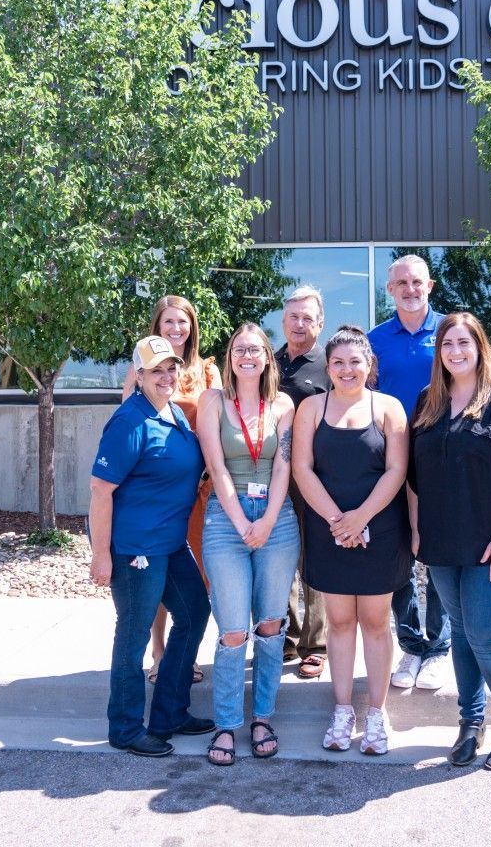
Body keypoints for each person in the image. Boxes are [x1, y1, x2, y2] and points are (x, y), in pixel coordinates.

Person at [409, 312, 491, 771]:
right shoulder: (429, 400)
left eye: (464, 343)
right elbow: (414, 477)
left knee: (487, 634)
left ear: (479, 345)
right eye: (447, 345)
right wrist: (416, 530)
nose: (455, 352)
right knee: (462, 634)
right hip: (444, 540)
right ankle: (470, 723)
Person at [89, 335, 216, 757]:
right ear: (138, 375)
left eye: (171, 368)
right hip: (135, 549)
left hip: (171, 543)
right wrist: (101, 555)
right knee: (134, 635)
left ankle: (170, 713)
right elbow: (100, 490)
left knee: (195, 612)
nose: (166, 376)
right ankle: (125, 728)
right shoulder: (130, 420)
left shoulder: (176, 413)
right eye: (156, 370)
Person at [292, 325, 411, 756]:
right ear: (328, 367)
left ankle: (377, 716)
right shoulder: (310, 409)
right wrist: (337, 521)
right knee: (340, 623)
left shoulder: (390, 409)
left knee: (377, 623)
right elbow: (302, 469)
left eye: (355, 362)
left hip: (379, 529)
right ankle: (342, 710)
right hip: (328, 530)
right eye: (338, 362)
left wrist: (360, 517)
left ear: (369, 365)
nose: (346, 370)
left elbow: (396, 471)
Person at [195, 324, 299, 765]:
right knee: (234, 629)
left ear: (267, 357)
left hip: (277, 520)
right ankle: (225, 725)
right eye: (239, 349)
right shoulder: (212, 401)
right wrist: (242, 523)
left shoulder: (283, 404)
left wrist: (269, 520)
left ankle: (262, 718)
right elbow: (216, 468)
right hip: (226, 519)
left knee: (272, 624)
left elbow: (284, 465)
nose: (247, 356)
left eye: (255, 349)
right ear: (229, 357)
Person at [122, 295, 221, 684]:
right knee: (157, 573)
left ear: (192, 327)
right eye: (168, 323)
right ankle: (160, 652)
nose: (176, 329)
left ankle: (187, 653)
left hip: (198, 492)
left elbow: (216, 429)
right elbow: (131, 429)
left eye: (182, 322)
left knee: (195, 575)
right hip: (157, 493)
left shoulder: (208, 372)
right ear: (157, 326)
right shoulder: (139, 373)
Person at [367, 254, 450, 691]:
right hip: (390, 464)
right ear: (390, 290)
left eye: (417, 282)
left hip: (440, 462)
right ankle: (411, 645)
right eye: (401, 283)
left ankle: (439, 647)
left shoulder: (450, 335)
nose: (410, 289)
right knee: (396, 557)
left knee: (437, 556)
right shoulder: (375, 340)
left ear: (430, 286)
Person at [275, 286, 330, 680]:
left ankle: (316, 644)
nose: (299, 323)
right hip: (273, 479)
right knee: (281, 559)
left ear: (320, 322)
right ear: (283, 320)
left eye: (307, 317)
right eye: (293, 316)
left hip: (318, 478)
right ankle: (288, 636)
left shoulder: (331, 364)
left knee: (314, 561)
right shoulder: (267, 363)